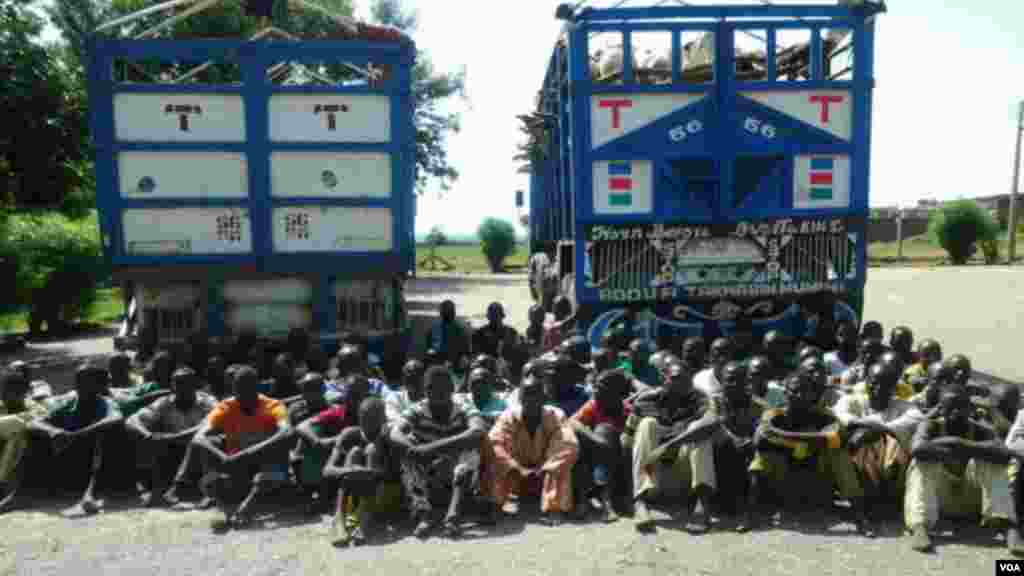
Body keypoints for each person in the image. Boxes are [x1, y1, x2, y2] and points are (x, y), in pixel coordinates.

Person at [748, 370, 870, 535]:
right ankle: (750, 516)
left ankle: (860, 518)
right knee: (762, 456)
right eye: (795, 391)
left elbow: (838, 437)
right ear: (785, 393)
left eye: (805, 391)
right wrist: (814, 440)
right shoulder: (773, 414)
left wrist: (786, 438)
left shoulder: (825, 415)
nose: (800, 395)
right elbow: (760, 440)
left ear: (813, 393)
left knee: (838, 454)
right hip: (783, 485)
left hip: (818, 484)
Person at [906, 387, 1016, 553]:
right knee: (922, 462)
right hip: (938, 502)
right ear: (942, 410)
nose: (955, 412)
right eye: (950, 408)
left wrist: (961, 443)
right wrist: (955, 442)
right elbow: (917, 448)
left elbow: (1004, 453)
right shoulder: (931, 425)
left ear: (970, 410)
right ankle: (919, 525)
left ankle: (1008, 525)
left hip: (971, 501)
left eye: (961, 407)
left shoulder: (980, 429)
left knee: (992, 462)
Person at [390, 366, 487, 539]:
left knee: (470, 449)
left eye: (442, 388)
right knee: (406, 451)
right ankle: (425, 513)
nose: (436, 393)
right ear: (425, 390)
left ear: (452, 389)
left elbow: (478, 430)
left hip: (457, 474)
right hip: (428, 474)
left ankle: (453, 514)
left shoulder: (462, 406)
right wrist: (416, 451)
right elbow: (394, 433)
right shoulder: (418, 409)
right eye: (431, 388)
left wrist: (431, 449)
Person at [193, 365, 294, 529]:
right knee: (210, 445)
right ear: (233, 388)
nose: (242, 394)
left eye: (247, 389)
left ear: (256, 387)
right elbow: (198, 437)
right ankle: (221, 504)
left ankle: (247, 506)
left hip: (266, 464)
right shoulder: (225, 406)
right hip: (236, 464)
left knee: (279, 445)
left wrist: (249, 453)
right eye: (238, 389)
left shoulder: (273, 405)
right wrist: (222, 456)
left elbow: (287, 432)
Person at [625, 361, 716, 533]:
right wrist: (623, 490)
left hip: (686, 478)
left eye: (686, 379)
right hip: (653, 475)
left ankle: (702, 504)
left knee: (699, 430)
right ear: (663, 378)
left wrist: (672, 444)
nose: (682, 383)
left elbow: (712, 422)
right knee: (647, 424)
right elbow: (627, 444)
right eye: (676, 378)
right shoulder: (645, 400)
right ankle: (640, 501)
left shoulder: (699, 398)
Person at [29, 363, 123, 514]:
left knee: (106, 435)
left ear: (98, 385)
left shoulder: (106, 402)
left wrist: (81, 433)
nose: (81, 385)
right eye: (79, 381)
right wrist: (54, 431)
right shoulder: (70, 402)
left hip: (98, 462)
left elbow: (116, 417)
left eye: (87, 381)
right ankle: (24, 491)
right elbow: (35, 422)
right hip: (72, 459)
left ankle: (90, 494)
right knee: (35, 435)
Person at [833, 363, 924, 518]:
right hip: (859, 465)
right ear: (866, 382)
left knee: (893, 441)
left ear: (894, 387)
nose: (879, 387)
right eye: (874, 382)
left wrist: (875, 430)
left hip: (891, 472)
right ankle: (865, 500)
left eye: (886, 383)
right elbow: (841, 415)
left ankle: (889, 498)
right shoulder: (851, 401)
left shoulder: (905, 406)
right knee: (858, 440)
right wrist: (867, 429)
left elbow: (915, 418)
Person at [489, 373, 580, 524]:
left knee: (562, 462)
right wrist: (516, 467)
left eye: (535, 395)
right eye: (527, 395)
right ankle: (496, 505)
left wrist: (545, 468)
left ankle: (553, 508)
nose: (531, 399)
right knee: (495, 452)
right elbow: (494, 443)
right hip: (517, 476)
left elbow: (568, 444)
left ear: (544, 398)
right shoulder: (508, 416)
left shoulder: (555, 415)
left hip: (544, 475)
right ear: (520, 398)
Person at [126, 367, 218, 507]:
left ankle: (210, 494)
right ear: (172, 385)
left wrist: (176, 436)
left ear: (195, 384)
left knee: (209, 442)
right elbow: (132, 421)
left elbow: (213, 423)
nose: (181, 387)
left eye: (186, 383)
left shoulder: (207, 401)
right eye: (178, 383)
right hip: (172, 450)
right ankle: (156, 492)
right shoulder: (164, 402)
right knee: (150, 440)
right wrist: (148, 435)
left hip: (199, 449)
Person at [324, 397, 398, 547]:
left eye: (373, 418)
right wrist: (351, 470)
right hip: (354, 495)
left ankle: (364, 520)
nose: (367, 422)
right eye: (364, 417)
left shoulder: (389, 435)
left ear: (383, 417)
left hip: (382, 494)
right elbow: (327, 470)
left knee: (371, 450)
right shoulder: (350, 434)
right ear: (358, 416)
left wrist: (370, 472)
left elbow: (395, 473)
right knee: (355, 452)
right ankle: (339, 518)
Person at [296, 375, 373, 511]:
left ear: (366, 395)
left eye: (356, 394)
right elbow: (302, 426)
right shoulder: (339, 411)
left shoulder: (374, 411)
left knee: (358, 451)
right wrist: (318, 441)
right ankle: (319, 494)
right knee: (307, 440)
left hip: (367, 460)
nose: (351, 398)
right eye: (348, 394)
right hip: (339, 459)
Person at [705, 362, 763, 531]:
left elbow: (763, 426)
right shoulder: (714, 400)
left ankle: (748, 512)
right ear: (721, 381)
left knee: (757, 456)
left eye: (740, 380)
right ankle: (705, 506)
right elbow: (713, 423)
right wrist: (734, 439)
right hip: (721, 446)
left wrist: (751, 439)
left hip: (747, 447)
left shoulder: (757, 404)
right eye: (730, 380)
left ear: (747, 382)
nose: (735, 384)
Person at [570, 369, 631, 522]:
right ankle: (584, 500)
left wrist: (606, 440)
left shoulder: (627, 411)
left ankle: (607, 501)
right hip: (595, 459)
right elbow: (573, 422)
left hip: (618, 465)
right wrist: (596, 440)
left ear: (617, 393)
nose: (595, 391)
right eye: (595, 386)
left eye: (601, 387)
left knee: (606, 429)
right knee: (582, 441)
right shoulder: (594, 405)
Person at [0, 370, 47, 512]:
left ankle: (7, 488)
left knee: (19, 436)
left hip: (20, 457)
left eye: (13, 390)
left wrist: (16, 422)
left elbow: (39, 418)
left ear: (23, 392)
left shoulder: (35, 408)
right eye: (4, 389)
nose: (6, 394)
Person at [287, 372, 332, 511]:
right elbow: (288, 433)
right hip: (298, 454)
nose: (307, 393)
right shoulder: (296, 409)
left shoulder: (331, 409)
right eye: (305, 388)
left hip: (322, 453)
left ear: (322, 390)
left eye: (312, 388)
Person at [112, 350, 175, 418]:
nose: (163, 370)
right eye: (159, 366)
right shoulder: (148, 386)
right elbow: (131, 402)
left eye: (165, 366)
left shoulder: (180, 385)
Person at [424, 300, 471, 374]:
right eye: (446, 311)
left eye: (449, 311)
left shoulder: (460, 329)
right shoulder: (433, 328)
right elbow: (428, 347)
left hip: (455, 362)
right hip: (439, 362)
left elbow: (466, 351)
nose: (448, 314)